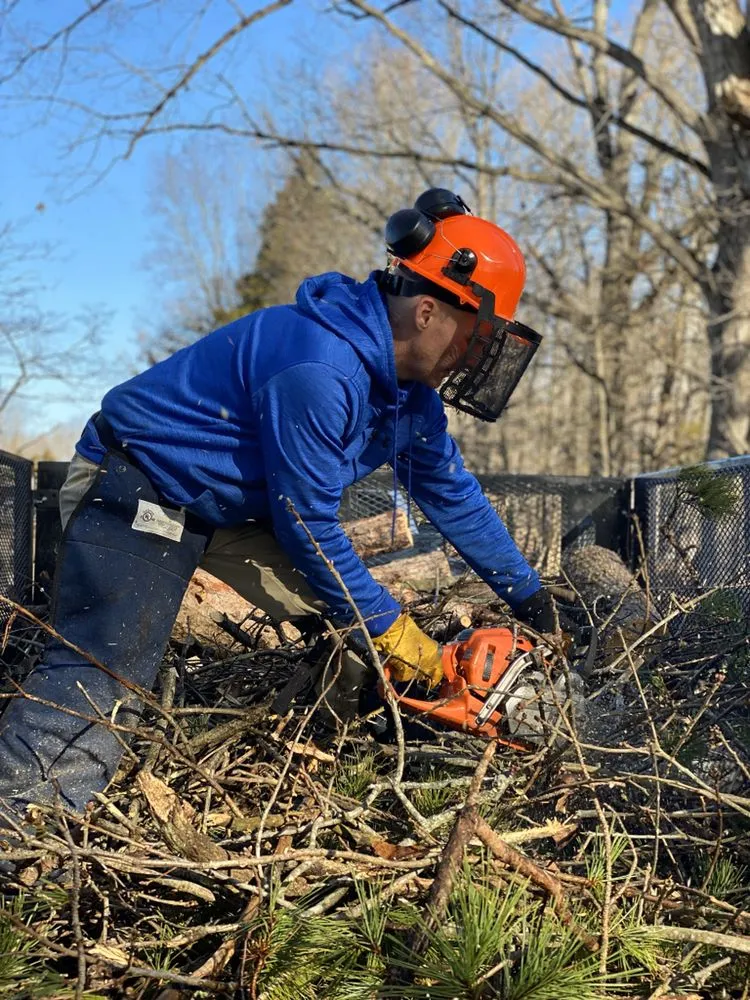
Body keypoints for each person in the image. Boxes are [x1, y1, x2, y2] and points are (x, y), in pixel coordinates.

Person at [0, 189, 562, 818]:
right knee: (107, 669)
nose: (478, 356)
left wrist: (528, 595)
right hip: (137, 483)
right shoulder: (320, 366)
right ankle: (23, 826)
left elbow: (454, 495)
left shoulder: (412, 401)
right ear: (428, 311)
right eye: (476, 337)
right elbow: (308, 524)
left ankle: (361, 773)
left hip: (229, 508)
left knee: (349, 632)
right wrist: (391, 627)